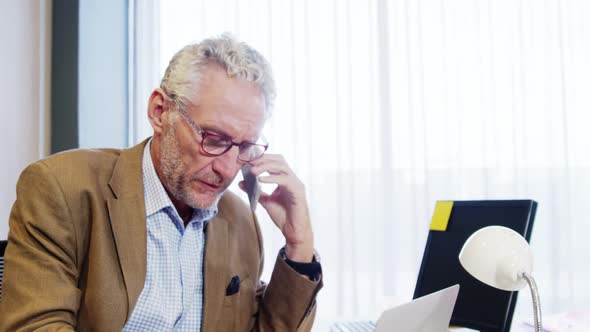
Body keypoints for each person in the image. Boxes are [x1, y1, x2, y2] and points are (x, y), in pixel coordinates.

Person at [0, 35, 322, 331]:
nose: (226, 169)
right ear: (159, 111)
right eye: (212, 138)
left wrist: (299, 244)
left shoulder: (238, 220)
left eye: (243, 147)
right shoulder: (61, 189)